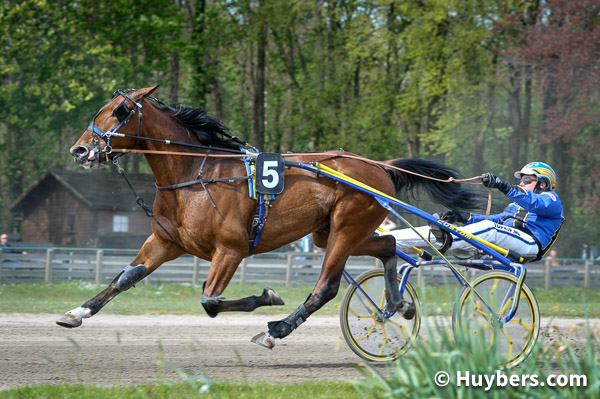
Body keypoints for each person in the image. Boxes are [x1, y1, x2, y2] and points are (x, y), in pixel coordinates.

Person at [387, 162, 564, 259]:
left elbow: (533, 203)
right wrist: (462, 216)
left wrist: (503, 185)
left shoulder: (552, 200)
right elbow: (498, 220)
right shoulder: (516, 206)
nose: (521, 184)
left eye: (526, 180)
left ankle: (448, 239)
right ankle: (388, 240)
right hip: (507, 237)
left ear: (543, 183)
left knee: (488, 228)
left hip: (529, 245)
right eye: (521, 181)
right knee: (446, 227)